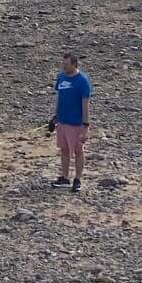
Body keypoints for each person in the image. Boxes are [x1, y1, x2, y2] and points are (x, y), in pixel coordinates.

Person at [50, 53, 92, 191]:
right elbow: (60, 98)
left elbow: (85, 104)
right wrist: (55, 116)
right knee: (64, 149)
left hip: (76, 123)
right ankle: (64, 177)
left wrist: (85, 126)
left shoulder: (82, 81)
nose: (64, 66)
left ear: (74, 64)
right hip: (62, 121)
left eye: (66, 64)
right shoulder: (61, 77)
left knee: (78, 151)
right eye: (63, 64)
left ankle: (78, 179)